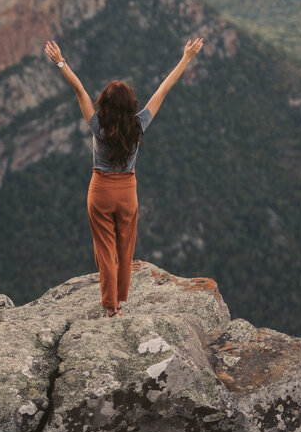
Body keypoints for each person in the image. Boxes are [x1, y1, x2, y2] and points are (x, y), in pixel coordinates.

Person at [44, 36, 205, 317]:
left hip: (100, 192)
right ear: (131, 106)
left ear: (104, 105)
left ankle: (111, 307)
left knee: (105, 250)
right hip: (127, 192)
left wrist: (60, 62)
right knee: (125, 246)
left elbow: (79, 91)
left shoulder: (98, 126)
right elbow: (163, 90)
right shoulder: (139, 125)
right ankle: (120, 297)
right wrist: (186, 58)